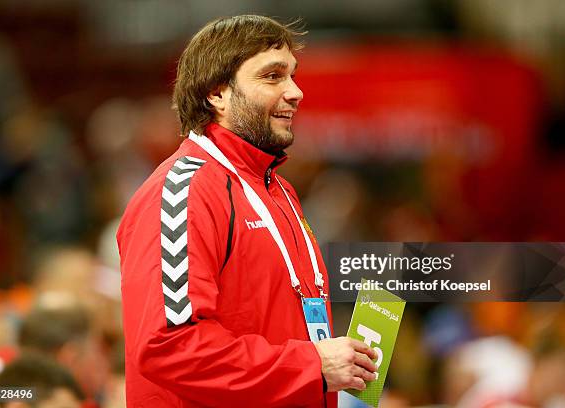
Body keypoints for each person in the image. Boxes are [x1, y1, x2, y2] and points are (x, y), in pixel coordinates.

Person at [117, 15, 377, 407]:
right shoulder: (183, 191)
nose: (295, 92)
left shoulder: (278, 189)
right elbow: (171, 344)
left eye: (292, 75)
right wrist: (310, 365)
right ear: (217, 93)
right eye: (272, 76)